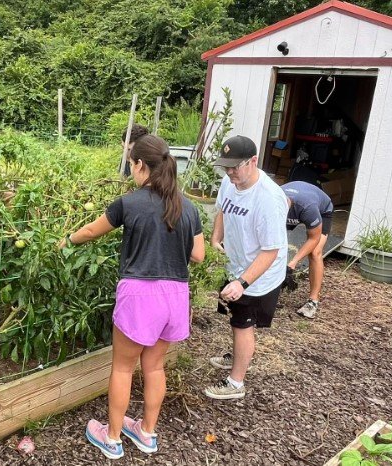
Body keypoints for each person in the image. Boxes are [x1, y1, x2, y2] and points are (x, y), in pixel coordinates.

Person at [60, 134, 204, 459]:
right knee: (154, 368)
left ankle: (111, 438)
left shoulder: (130, 202)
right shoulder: (187, 206)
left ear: (140, 165)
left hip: (141, 293)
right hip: (176, 294)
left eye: (131, 164)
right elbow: (198, 255)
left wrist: (67, 240)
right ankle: (146, 433)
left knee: (123, 368)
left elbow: (91, 231)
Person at [205, 135, 288, 400]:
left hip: (259, 274)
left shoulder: (268, 198)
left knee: (243, 323)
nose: (229, 173)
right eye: (226, 167)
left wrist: (242, 283)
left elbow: (271, 250)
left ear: (253, 161)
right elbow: (222, 209)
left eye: (235, 167)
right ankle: (237, 356)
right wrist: (215, 238)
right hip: (236, 264)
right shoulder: (231, 182)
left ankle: (235, 383)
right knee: (236, 317)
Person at [281, 181, 334, 319]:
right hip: (296, 206)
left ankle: (313, 302)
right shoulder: (270, 199)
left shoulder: (307, 207)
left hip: (322, 210)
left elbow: (313, 238)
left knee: (315, 252)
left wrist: (293, 262)